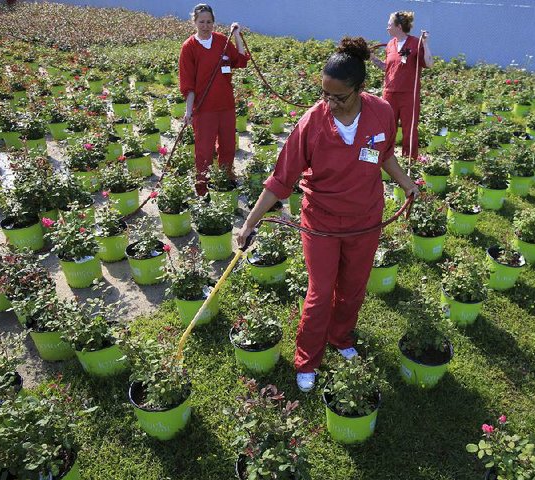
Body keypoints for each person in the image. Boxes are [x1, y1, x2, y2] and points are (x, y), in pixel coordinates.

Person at [237, 37, 419, 392]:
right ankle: (308, 359)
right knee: (320, 293)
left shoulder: (381, 111)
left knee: (353, 288)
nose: (330, 103)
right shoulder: (313, 122)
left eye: (339, 97)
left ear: (360, 88)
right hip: (320, 222)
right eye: (325, 95)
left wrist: (406, 182)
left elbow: (384, 156)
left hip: (365, 219)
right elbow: (281, 179)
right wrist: (250, 221)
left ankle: (340, 337)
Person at [178, 4, 249, 196]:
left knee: (227, 145)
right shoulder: (189, 47)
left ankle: (226, 179)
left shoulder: (221, 41)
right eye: (201, 21)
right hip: (204, 109)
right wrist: (188, 111)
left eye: (209, 21)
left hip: (226, 105)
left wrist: (236, 35)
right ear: (194, 22)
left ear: (213, 22)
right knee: (204, 150)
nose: (206, 25)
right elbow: (188, 84)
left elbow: (240, 61)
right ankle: (203, 187)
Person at [371, 11, 433, 160]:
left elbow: (429, 63)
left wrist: (425, 43)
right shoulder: (391, 44)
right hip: (389, 93)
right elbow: (389, 67)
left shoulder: (415, 43)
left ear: (398, 26)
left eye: (389, 24)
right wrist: (373, 59)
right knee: (386, 127)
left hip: (408, 95)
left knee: (409, 129)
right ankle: (385, 159)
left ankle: (409, 161)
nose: (387, 28)